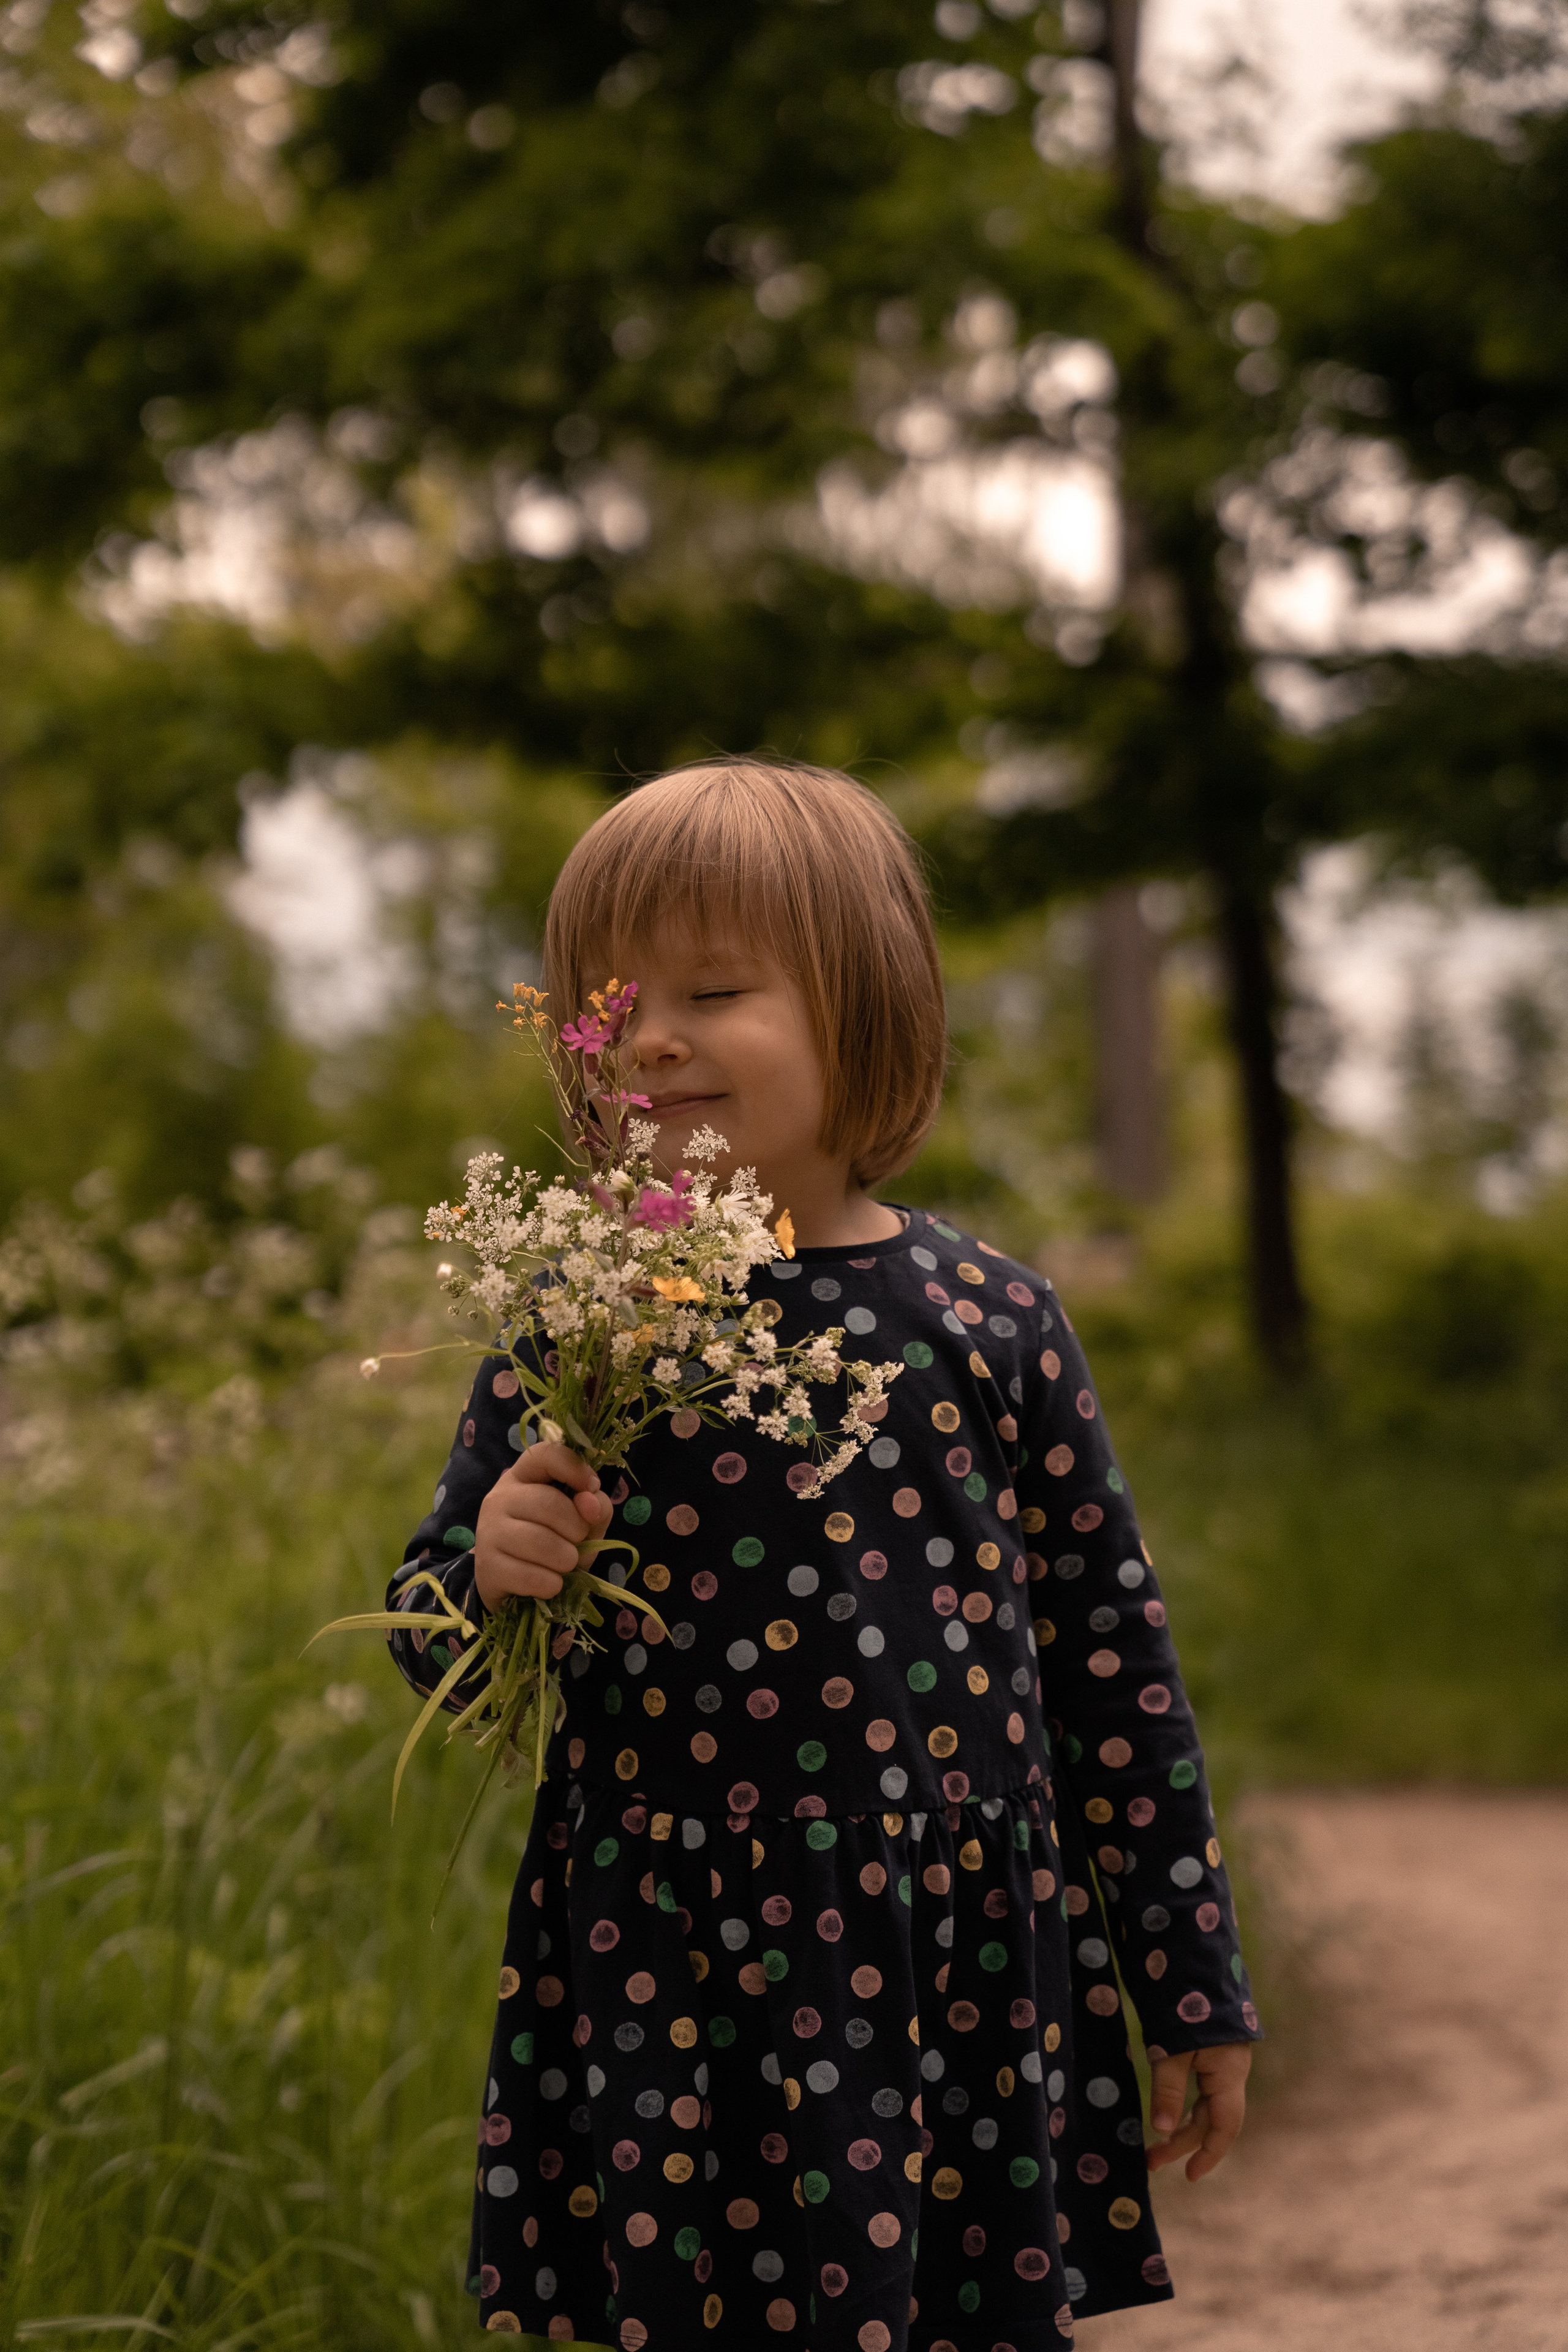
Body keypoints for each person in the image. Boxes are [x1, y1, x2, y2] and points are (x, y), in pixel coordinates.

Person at [387, 758, 1260, 2351]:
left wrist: (1188, 1977)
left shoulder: (991, 1322)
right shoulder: (580, 1325)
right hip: (664, 1953)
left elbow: (1113, 1666)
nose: (653, 1035)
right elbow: (439, 1638)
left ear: (867, 1016)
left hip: (943, 1959)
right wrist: (491, 1568)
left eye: (716, 990)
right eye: (613, 1005)